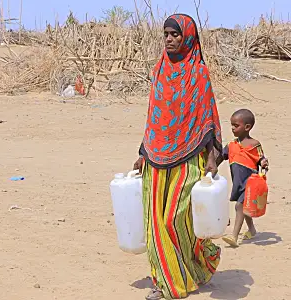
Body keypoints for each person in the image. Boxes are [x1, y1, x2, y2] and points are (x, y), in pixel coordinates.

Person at [133, 14, 223, 300]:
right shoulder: (159, 70)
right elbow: (154, 118)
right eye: (166, 35)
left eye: (175, 34)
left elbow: (207, 118)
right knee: (156, 224)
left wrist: (212, 157)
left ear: (187, 37)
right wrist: (143, 152)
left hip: (189, 156)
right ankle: (168, 282)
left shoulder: (198, 73)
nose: (170, 39)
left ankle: (200, 261)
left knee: (176, 218)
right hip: (156, 157)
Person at [219, 109, 269, 247]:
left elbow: (261, 159)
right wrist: (209, 169)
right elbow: (219, 159)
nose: (233, 128)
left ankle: (234, 236)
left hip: (250, 182)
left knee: (239, 205)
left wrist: (264, 164)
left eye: (236, 125)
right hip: (238, 182)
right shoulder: (231, 146)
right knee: (245, 206)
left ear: (247, 127)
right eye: (232, 125)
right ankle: (252, 230)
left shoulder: (254, 145)